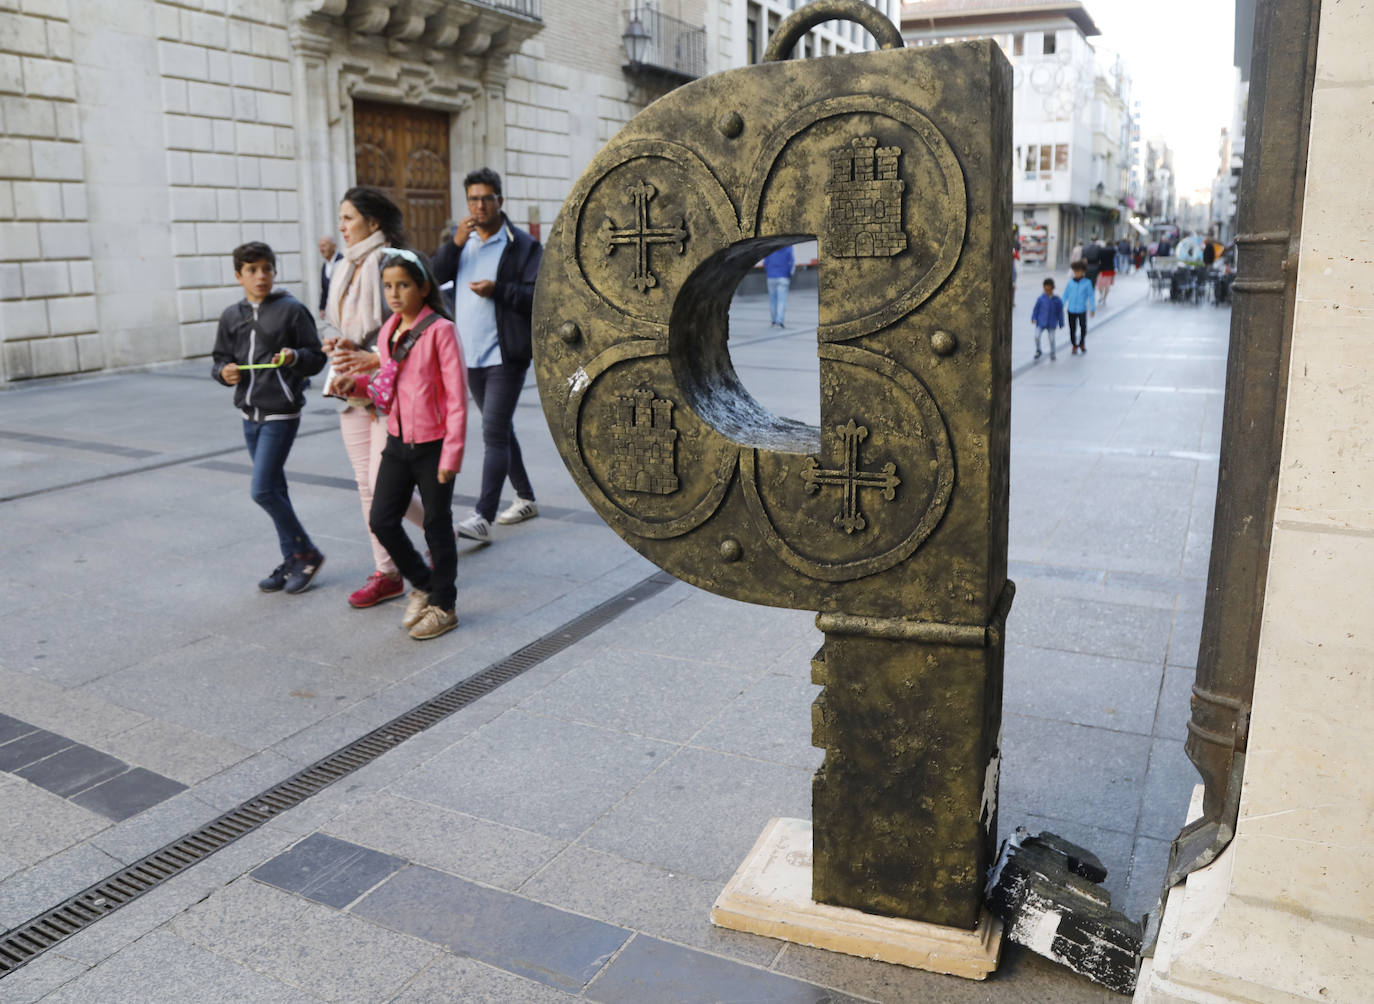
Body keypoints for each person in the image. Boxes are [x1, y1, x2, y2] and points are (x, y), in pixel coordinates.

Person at [346, 250, 467, 641]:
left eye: (402, 285)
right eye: (388, 286)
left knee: (436, 525)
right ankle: (423, 582)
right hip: (397, 441)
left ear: (423, 287)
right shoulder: (389, 330)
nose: (394, 293)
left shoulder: (441, 331)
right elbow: (387, 385)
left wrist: (452, 454)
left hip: (434, 446)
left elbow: (456, 399)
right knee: (381, 518)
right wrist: (356, 386)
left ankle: (444, 607)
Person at [321, 187, 426, 610]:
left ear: (373, 222)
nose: (342, 227)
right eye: (341, 218)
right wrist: (337, 347)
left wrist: (373, 358)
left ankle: (434, 534)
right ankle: (388, 572)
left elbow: (423, 328)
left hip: (390, 390)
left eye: (349, 218)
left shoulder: (395, 264)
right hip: (351, 388)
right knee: (368, 486)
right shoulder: (344, 267)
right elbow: (332, 321)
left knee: (385, 489)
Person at [433, 167, 543, 546]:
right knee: (501, 429)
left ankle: (482, 516)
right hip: (469, 355)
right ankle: (526, 497)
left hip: (506, 354)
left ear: (500, 200)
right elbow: (432, 278)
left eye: (486, 198)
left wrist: (499, 290)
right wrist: (454, 245)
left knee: (493, 431)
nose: (479, 206)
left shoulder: (523, 245)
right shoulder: (462, 244)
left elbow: (537, 295)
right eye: (473, 199)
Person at [211, 242, 327, 593]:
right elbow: (219, 358)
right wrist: (223, 372)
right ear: (238, 275)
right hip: (250, 413)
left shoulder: (292, 310)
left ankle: (306, 551)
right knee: (275, 488)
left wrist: (294, 357)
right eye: (251, 270)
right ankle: (293, 558)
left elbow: (317, 357)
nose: (260, 276)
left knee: (262, 490)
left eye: (266, 269)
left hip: (282, 411)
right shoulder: (231, 316)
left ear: (274, 272)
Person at [1063, 259, 1096, 354]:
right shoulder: (1070, 283)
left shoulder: (1087, 283)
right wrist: (1061, 305)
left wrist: (1092, 308)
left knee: (1083, 327)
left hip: (1082, 309)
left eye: (1080, 271)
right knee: (1072, 328)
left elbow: (1091, 296)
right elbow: (1065, 295)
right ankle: (1074, 344)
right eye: (1076, 271)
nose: (1077, 273)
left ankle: (1082, 343)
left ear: (1083, 272)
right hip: (1071, 309)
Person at [1030, 277, 1064, 361]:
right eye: (1046, 290)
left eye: (1049, 289)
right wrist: (1033, 318)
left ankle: (1052, 352)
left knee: (1052, 338)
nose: (1047, 291)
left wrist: (1061, 322)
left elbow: (1060, 312)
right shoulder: (1041, 299)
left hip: (1051, 323)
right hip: (1041, 322)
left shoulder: (1057, 300)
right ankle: (1038, 350)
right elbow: (1036, 309)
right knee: (1036, 336)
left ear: (1053, 288)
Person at [763, 245, 794, 327]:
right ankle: (780, 320)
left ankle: (773, 320)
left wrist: (769, 272)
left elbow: (765, 262)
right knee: (781, 300)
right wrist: (789, 274)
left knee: (772, 300)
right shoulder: (789, 247)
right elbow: (792, 262)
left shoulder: (770, 247)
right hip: (783, 277)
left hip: (771, 277)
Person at [317, 236, 343, 318]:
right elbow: (324, 289)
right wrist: (322, 308)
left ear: (334, 246)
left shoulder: (343, 262)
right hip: (332, 311)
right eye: (320, 246)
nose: (321, 249)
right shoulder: (324, 266)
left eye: (324, 246)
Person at [1095, 240, 1116, 306]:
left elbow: (1098, 259)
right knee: (1107, 285)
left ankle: (1101, 294)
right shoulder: (1113, 250)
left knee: (1099, 284)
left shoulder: (1101, 250)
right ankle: (1105, 298)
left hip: (1102, 269)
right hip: (1110, 270)